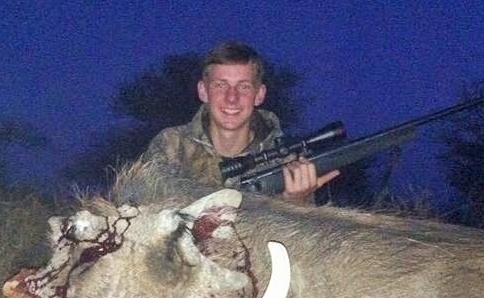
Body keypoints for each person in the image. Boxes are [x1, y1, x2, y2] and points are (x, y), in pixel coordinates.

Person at [143, 42, 339, 202]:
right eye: (221, 85)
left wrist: (295, 200)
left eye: (243, 87)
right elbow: (143, 214)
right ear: (203, 91)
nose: (232, 98)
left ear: (259, 95)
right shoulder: (170, 145)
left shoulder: (289, 162)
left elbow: (307, 240)